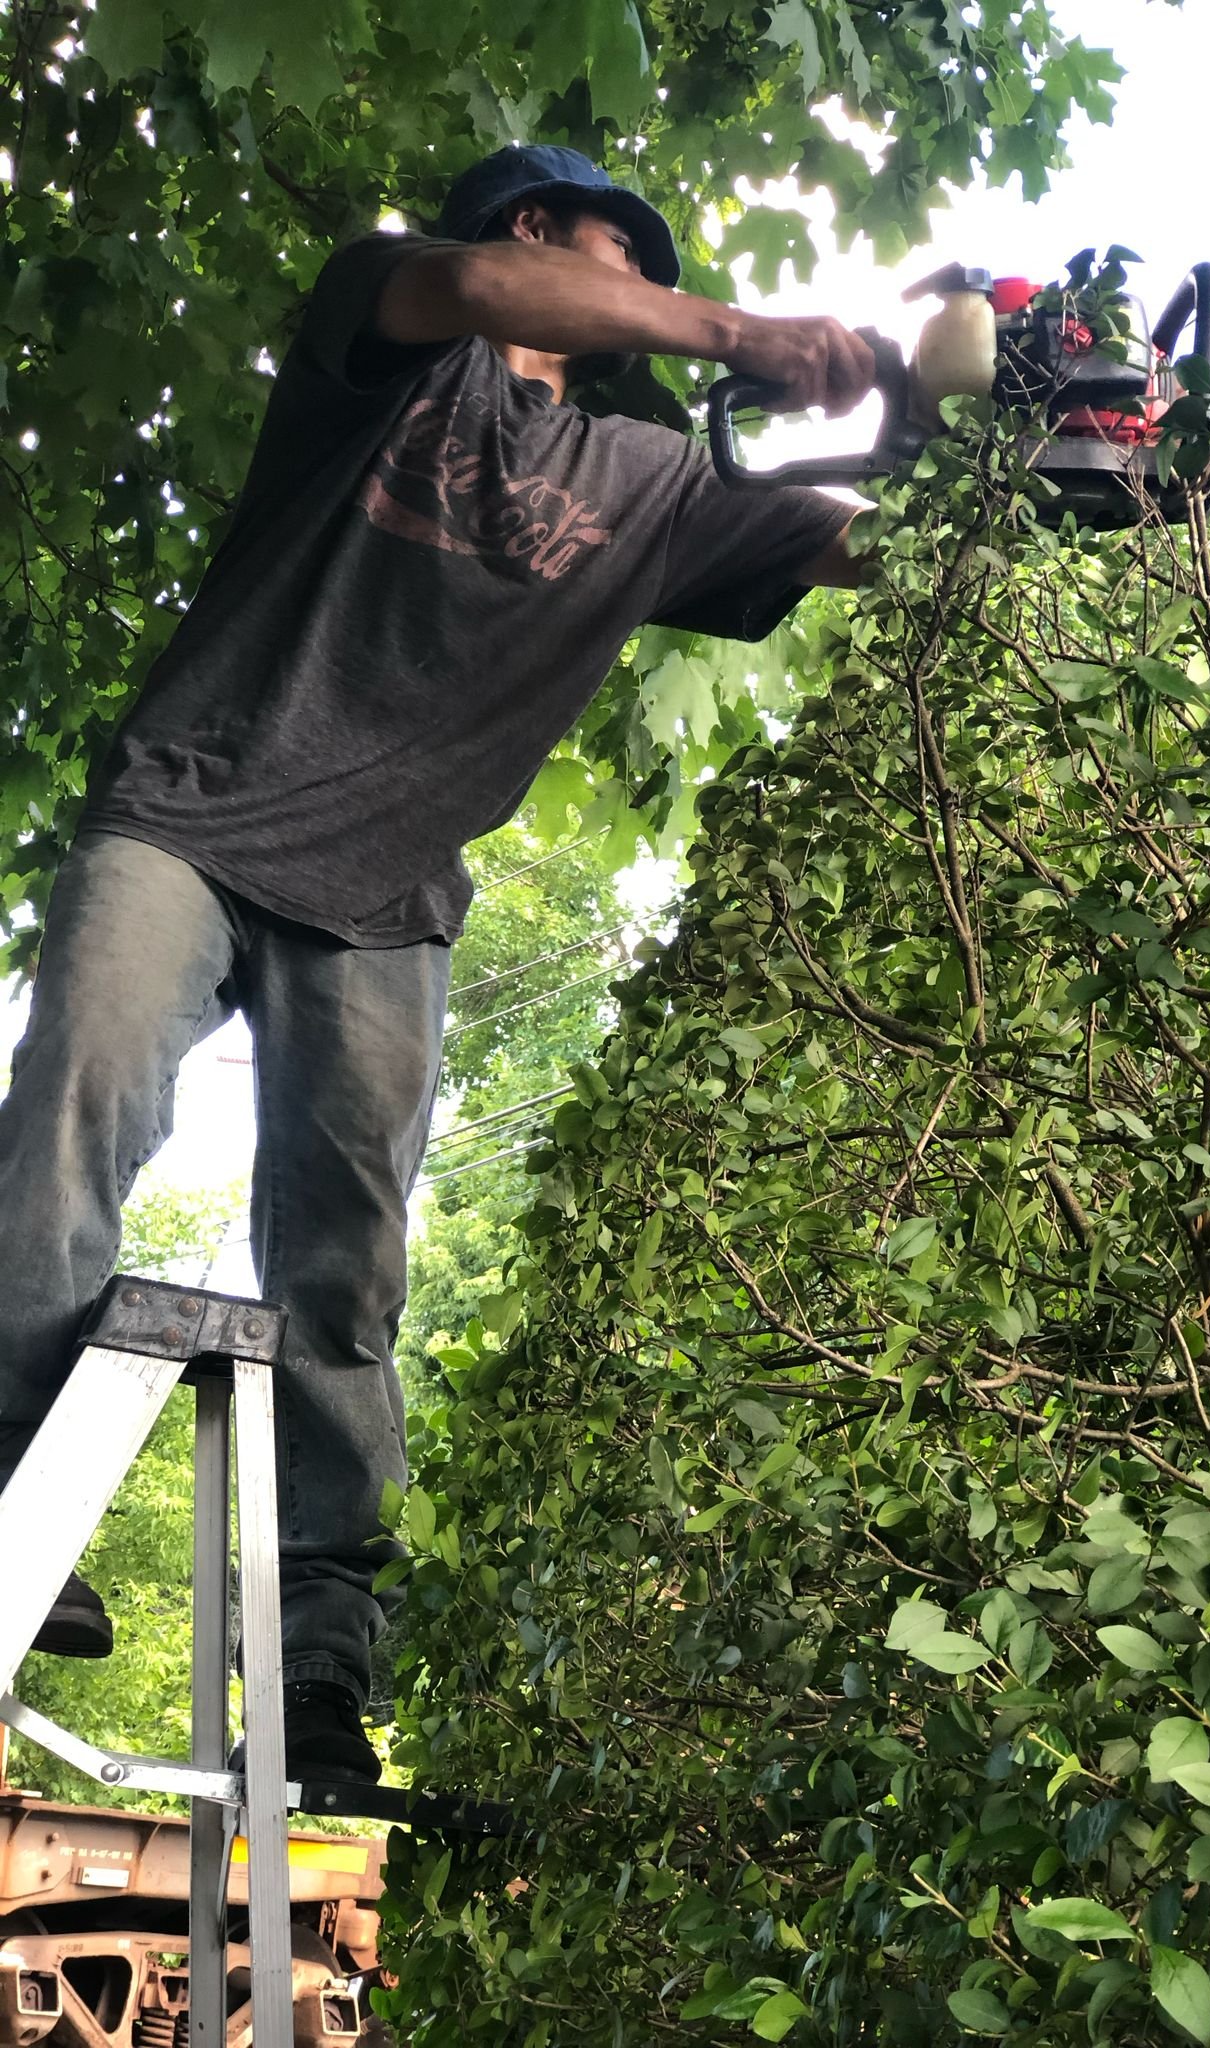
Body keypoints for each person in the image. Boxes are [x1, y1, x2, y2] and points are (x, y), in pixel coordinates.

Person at [0, 144, 875, 1781]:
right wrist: (747, 329)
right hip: (193, 809)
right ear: (543, 233)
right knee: (79, 1101)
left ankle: (318, 1676)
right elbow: (472, 287)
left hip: (388, 900)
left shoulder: (654, 480)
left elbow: (855, 546)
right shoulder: (390, 324)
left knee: (348, 1270)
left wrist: (1054, 472)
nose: (626, 290)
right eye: (617, 256)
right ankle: (7, 1499)